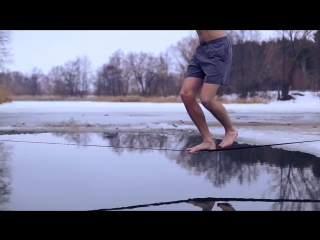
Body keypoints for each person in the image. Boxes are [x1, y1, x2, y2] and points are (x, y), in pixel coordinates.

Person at [180, 30, 238, 153]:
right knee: (186, 95)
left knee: (206, 99)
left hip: (218, 48)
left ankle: (231, 130)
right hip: (201, 50)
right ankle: (208, 140)